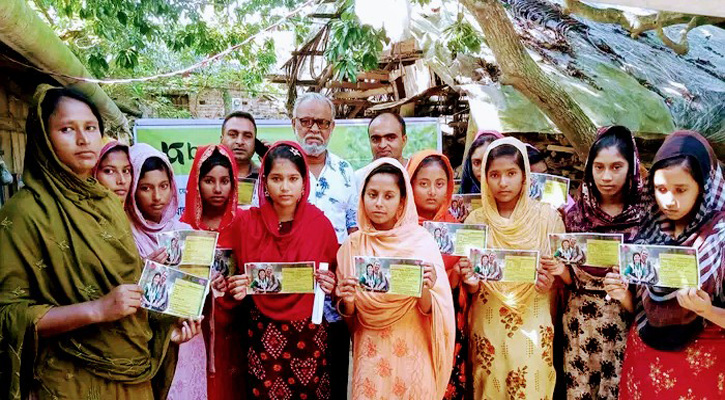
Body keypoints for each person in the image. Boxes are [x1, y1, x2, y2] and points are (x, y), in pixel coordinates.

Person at [0, 85, 200, 400]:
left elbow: (129, 296)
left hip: (134, 376)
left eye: (90, 128)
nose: (83, 139)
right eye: (67, 129)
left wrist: (167, 332)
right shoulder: (25, 212)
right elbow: (8, 314)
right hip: (69, 381)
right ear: (43, 137)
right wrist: (96, 310)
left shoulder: (106, 203)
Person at [606, 131, 725, 399]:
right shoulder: (650, 232)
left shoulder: (720, 237)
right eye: (661, 189)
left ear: (703, 186)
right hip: (645, 366)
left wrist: (707, 310)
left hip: (702, 373)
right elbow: (641, 310)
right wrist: (623, 294)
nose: (669, 200)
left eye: (681, 190)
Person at [218, 141, 340, 399]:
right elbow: (226, 275)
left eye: (293, 178)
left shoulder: (320, 225)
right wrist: (234, 285)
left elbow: (337, 277)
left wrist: (332, 283)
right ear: (264, 182)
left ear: (304, 182)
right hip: (262, 331)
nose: (285, 187)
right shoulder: (244, 223)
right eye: (276, 178)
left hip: (309, 333)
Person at [336, 158, 455, 399]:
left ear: (402, 201)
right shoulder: (353, 245)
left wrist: (425, 288)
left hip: (413, 351)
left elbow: (432, 312)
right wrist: (346, 299)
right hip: (370, 353)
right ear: (362, 197)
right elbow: (351, 315)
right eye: (372, 194)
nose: (379, 203)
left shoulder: (422, 242)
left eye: (388, 196)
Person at [459, 137, 563, 399]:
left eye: (511, 174)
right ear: (484, 177)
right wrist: (470, 282)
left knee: (533, 386)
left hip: (534, 317)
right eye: (494, 174)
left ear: (525, 176)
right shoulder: (476, 220)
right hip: (488, 320)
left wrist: (551, 281)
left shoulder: (548, 218)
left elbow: (562, 277)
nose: (503, 183)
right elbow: (470, 284)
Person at [549, 125, 645, 399]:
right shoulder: (574, 216)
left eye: (616, 167)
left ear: (632, 167)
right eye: (599, 167)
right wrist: (562, 272)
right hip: (579, 325)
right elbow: (572, 281)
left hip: (625, 326)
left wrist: (626, 296)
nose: (606, 176)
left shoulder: (646, 217)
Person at [289, 92, 357, 398]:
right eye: (306, 121)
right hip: (288, 298)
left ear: (332, 127)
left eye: (322, 122)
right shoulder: (278, 168)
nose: (314, 129)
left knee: (336, 378)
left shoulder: (346, 172)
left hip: (336, 298)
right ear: (294, 124)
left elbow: (355, 229)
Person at [126, 143, 206, 400]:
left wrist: (210, 280)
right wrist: (144, 267)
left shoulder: (184, 231)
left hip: (188, 337)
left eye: (163, 186)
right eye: (146, 188)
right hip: (147, 344)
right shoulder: (124, 235)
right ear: (132, 190)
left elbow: (199, 289)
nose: (157, 196)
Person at [406, 149, 471, 399]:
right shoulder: (399, 229)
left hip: (448, 321)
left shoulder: (456, 228)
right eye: (423, 184)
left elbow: (463, 286)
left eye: (439, 184)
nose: (432, 191)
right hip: (410, 321)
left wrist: (458, 275)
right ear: (409, 185)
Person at [181, 144, 243, 400]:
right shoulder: (183, 229)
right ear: (197, 182)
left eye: (224, 181)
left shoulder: (244, 224)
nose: (218, 189)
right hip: (197, 331)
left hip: (237, 329)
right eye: (209, 181)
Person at [459, 130, 503, 194]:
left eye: (489, 162)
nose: (483, 169)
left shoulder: (518, 198)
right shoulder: (465, 198)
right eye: (476, 163)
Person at [220, 111, 259, 179]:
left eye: (247, 136)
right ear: (221, 140)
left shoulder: (266, 178)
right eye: (233, 135)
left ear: (256, 143)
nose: (239, 142)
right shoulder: (204, 175)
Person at [93, 140, 132, 206]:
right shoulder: (82, 214)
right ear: (94, 172)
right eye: (109, 171)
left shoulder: (134, 215)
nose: (122, 181)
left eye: (126, 171)